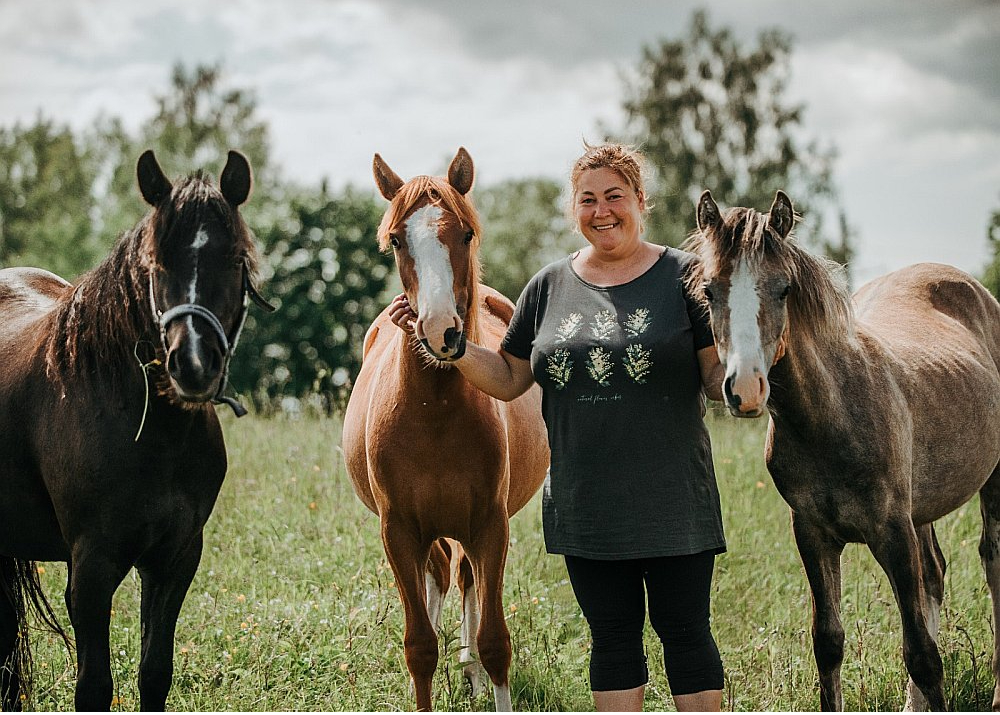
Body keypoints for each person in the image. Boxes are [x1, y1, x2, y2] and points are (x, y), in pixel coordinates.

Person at [388, 142, 727, 712]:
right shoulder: (548, 287)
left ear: (640, 201)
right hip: (586, 504)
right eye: (588, 199)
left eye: (614, 196)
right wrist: (449, 348)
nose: (602, 211)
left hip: (673, 501)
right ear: (575, 209)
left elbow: (717, 376)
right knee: (613, 643)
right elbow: (508, 375)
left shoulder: (685, 276)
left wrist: (758, 369)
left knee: (687, 638)